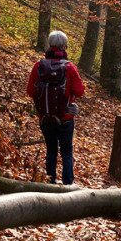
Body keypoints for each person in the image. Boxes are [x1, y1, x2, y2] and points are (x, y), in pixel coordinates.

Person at [27, 31, 85, 185]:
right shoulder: (69, 67)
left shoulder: (38, 66)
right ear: (64, 46)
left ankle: (49, 183)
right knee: (66, 152)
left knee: (51, 150)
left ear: (50, 45)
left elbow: (30, 91)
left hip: (45, 117)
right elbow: (80, 90)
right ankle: (68, 186)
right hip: (65, 117)